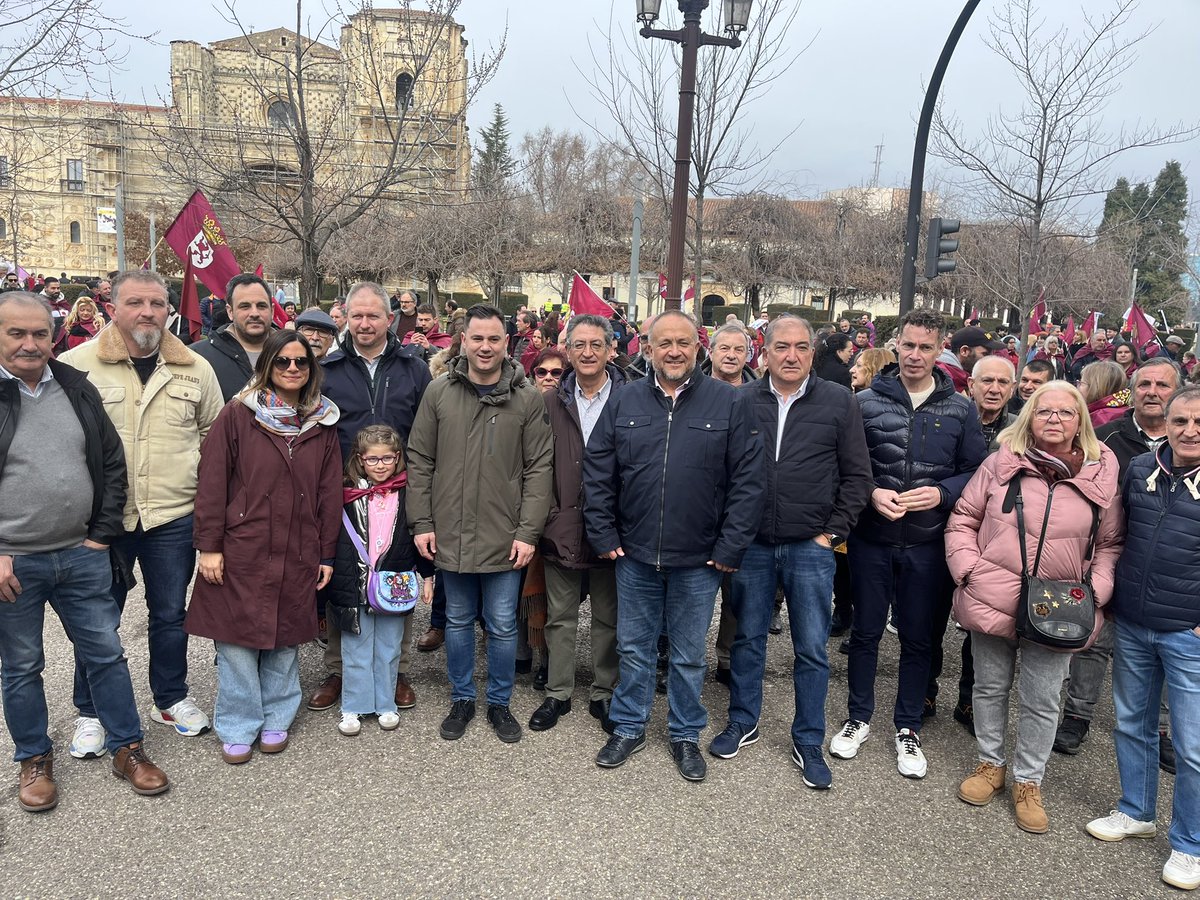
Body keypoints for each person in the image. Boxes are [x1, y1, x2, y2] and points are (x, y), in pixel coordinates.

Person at [0, 292, 170, 810]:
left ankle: (128, 748)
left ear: (53, 335)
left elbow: (111, 464)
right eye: (16, 334)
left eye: (39, 334)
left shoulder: (76, 387)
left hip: (81, 552)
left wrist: (100, 535)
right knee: (23, 665)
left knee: (105, 653)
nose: (31, 344)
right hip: (13, 562)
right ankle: (34, 758)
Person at [584, 310, 764, 782]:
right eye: (664, 343)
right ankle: (629, 726)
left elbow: (748, 481)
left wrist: (729, 547)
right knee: (634, 648)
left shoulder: (728, 401)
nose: (674, 351)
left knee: (688, 654)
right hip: (635, 553)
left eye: (683, 342)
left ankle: (685, 733)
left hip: (700, 558)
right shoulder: (624, 401)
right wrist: (603, 534)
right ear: (647, 347)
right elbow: (599, 471)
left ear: (698, 346)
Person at [59, 271, 223, 755]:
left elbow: (215, 437)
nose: (148, 312)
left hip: (172, 515)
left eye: (157, 303)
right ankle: (91, 711)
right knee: (97, 619)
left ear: (168, 308)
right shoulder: (75, 366)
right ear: (112, 306)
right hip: (103, 520)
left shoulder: (195, 367)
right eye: (136, 302)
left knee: (170, 614)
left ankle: (170, 698)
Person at [947, 381, 1122, 833]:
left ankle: (1029, 781)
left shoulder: (1101, 473)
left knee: (1042, 699)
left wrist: (1096, 592)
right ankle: (990, 764)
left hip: (1062, 605)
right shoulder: (1000, 463)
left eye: (1065, 413)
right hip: (994, 592)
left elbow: (1110, 543)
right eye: (1045, 411)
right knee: (989, 686)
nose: (1055, 420)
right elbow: (964, 517)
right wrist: (969, 571)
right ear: (1030, 416)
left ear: (1080, 420)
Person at [709, 314, 872, 790]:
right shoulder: (741, 400)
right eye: (783, 346)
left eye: (802, 347)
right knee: (747, 640)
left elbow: (857, 476)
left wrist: (833, 533)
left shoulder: (838, 401)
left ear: (812, 353)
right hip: (754, 545)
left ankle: (808, 738)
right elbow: (722, 471)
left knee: (812, 649)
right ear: (766, 351)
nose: (792, 355)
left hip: (810, 545)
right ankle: (743, 721)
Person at [831, 308, 987, 780]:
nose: (916, 355)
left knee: (920, 638)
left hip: (928, 542)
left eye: (926, 346)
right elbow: (846, 466)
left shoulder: (960, 408)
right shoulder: (864, 402)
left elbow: (976, 473)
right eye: (909, 345)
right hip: (872, 538)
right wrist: (872, 491)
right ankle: (858, 716)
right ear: (895, 345)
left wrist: (942, 492)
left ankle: (908, 726)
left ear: (940, 349)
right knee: (866, 633)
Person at [186, 331, 342, 763]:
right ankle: (238, 724)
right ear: (267, 367)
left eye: (301, 362)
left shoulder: (323, 422)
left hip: (299, 545)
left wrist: (326, 553)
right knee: (236, 642)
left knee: (284, 637)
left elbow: (330, 494)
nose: (292, 369)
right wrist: (209, 546)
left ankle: (277, 718)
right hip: (244, 543)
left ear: (311, 369)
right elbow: (213, 481)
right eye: (283, 362)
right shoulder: (239, 414)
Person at [406, 304, 554, 744]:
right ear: (464, 341)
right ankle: (462, 698)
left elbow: (538, 468)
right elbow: (420, 459)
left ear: (506, 342)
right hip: (449, 530)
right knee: (456, 619)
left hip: (505, 536)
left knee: (504, 624)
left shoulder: (526, 397)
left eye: (494, 338)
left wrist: (528, 532)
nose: (485, 347)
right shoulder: (438, 392)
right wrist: (422, 522)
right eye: (477, 338)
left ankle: (500, 703)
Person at [1085, 383, 1200, 891]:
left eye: (1199, 422)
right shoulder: (1140, 470)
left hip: (1188, 633)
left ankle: (1190, 843)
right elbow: (1118, 536)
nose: (1189, 431)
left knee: (1193, 747)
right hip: (1132, 621)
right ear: (1166, 423)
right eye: (1180, 421)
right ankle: (1136, 810)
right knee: (1132, 723)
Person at [311, 282, 433, 713]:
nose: (365, 323)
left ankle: (393, 670)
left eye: (373, 316)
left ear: (388, 319)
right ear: (346, 317)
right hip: (344, 493)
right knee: (346, 579)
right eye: (357, 315)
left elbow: (424, 431)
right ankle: (340, 668)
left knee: (393, 573)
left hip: (398, 493)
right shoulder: (326, 368)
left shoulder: (413, 367)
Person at [1054, 357, 1183, 765]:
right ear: (1132, 389)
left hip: (1164, 567)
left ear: (1176, 392)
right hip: (1109, 557)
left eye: (1162, 385)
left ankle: (1163, 728)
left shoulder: (1187, 443)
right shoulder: (1106, 436)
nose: (1152, 392)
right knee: (1093, 642)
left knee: (1162, 653)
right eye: (1144, 384)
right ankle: (1077, 714)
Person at [532, 315, 625, 733]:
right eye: (579, 345)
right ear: (567, 351)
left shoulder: (632, 398)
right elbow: (534, 467)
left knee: (609, 618)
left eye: (596, 344)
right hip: (561, 527)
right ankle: (558, 693)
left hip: (616, 533)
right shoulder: (547, 402)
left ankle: (605, 693)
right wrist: (549, 518)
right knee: (560, 616)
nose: (588, 353)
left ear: (611, 350)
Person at [327, 425, 434, 737]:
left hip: (394, 582)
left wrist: (428, 576)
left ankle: (386, 703)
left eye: (387, 458)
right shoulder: (344, 492)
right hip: (352, 581)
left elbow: (419, 536)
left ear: (398, 457)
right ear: (360, 460)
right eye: (372, 459)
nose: (380, 465)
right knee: (356, 646)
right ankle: (353, 705)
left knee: (388, 646)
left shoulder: (408, 492)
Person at [193, 273, 274, 402]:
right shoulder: (198, 356)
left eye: (261, 306)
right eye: (245, 306)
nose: (254, 313)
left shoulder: (295, 355)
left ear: (272, 311)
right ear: (230, 312)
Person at [937, 326, 1006, 394]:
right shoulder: (945, 379)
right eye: (985, 354)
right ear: (964, 351)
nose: (990, 359)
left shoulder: (959, 377)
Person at [970, 355, 1017, 448]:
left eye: (1003, 382)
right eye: (987, 380)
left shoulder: (1021, 429)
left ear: (1012, 388)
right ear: (971, 385)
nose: (995, 390)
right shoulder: (951, 421)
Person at [1080, 359, 1130, 429]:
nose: (1078, 387)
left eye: (1081, 383)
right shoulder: (1125, 408)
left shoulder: (1101, 419)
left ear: (1094, 387)